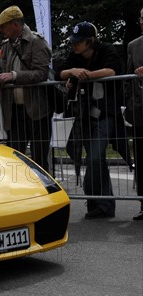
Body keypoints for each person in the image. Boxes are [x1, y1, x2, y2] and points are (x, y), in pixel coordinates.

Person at [56, 22, 122, 219]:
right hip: (83, 114)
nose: (75, 46)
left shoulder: (106, 49)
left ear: (90, 41)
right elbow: (61, 71)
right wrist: (73, 71)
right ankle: (100, 204)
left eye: (80, 42)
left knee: (94, 156)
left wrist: (87, 76)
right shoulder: (75, 56)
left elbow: (112, 70)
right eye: (74, 42)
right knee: (93, 158)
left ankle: (100, 201)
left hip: (105, 113)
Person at [0, 5, 53, 172]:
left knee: (39, 158)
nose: (1, 31)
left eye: (3, 27)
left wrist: (14, 76)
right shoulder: (6, 45)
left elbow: (41, 73)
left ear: (15, 25)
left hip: (38, 109)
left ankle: (45, 193)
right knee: (15, 156)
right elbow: (0, 69)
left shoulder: (36, 42)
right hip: (14, 110)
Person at [127, 7, 143, 220]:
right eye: (142, 19)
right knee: (141, 160)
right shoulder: (133, 46)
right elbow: (128, 79)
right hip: (140, 112)